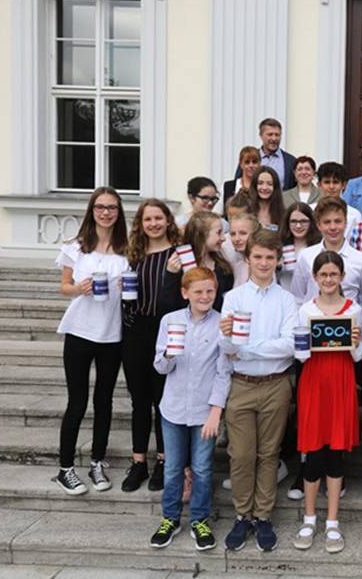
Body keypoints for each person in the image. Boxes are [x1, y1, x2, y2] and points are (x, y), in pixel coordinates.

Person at [217, 229, 297, 553]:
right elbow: (227, 347)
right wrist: (237, 344)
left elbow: (290, 346)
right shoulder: (234, 298)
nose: (263, 262)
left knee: (268, 455)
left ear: (278, 261)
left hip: (276, 385)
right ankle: (242, 514)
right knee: (241, 455)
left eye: (269, 257)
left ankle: (262, 516)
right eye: (258, 257)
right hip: (242, 385)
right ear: (247, 259)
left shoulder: (287, 300)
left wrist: (248, 348)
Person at [54, 187, 129, 495]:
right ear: (92, 210)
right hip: (80, 330)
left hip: (112, 333)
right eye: (100, 207)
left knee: (104, 400)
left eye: (111, 207)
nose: (106, 212)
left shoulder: (127, 248)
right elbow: (64, 287)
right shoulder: (77, 246)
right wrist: (79, 288)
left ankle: (97, 461)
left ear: (119, 212)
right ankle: (65, 468)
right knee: (77, 401)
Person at [293, 251, 362, 554]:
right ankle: (309, 518)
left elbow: (358, 356)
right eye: (323, 275)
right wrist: (307, 342)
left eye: (334, 274)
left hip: (341, 382)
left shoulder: (354, 309)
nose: (329, 280)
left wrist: (358, 342)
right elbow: (299, 356)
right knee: (313, 455)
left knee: (336, 456)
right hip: (314, 382)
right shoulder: (306, 309)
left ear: (342, 277)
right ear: (315, 278)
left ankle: (332, 522)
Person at [149, 267, 225, 551]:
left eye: (210, 291)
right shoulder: (170, 321)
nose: (205, 296)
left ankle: (199, 519)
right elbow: (160, 366)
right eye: (199, 291)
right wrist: (169, 353)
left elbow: (223, 371)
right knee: (172, 469)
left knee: (204, 468)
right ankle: (170, 518)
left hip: (204, 410)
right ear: (185, 293)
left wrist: (216, 409)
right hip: (173, 407)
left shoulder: (221, 323)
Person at [121, 199, 180, 493]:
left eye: (159, 218)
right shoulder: (134, 255)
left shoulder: (179, 254)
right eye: (148, 219)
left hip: (165, 332)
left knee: (163, 401)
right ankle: (138, 462)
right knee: (139, 401)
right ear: (141, 224)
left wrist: (173, 273)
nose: (154, 223)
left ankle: (163, 460)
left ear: (168, 221)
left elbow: (184, 296)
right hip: (135, 334)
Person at [291, 196, 362, 307]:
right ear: (318, 225)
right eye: (327, 222)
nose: (333, 227)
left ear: (346, 223)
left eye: (338, 221)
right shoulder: (306, 257)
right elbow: (298, 298)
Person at [160, 211, 234, 315]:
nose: (223, 238)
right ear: (202, 234)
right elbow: (167, 305)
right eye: (218, 232)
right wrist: (171, 274)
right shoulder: (179, 263)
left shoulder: (223, 267)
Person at [244, 117, 296, 191]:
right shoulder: (249, 159)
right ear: (261, 135)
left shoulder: (290, 161)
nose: (274, 138)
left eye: (277, 135)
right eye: (270, 134)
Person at [277, 202, 320, 291]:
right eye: (294, 221)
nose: (298, 226)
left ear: (311, 222)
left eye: (303, 221)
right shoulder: (278, 246)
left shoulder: (319, 247)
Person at [316, 161, 362, 237]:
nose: (331, 187)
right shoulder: (310, 211)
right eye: (327, 182)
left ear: (344, 185)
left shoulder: (355, 215)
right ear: (319, 185)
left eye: (335, 182)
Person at [222, 213, 260, 287]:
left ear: (255, 234)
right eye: (233, 234)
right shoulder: (237, 265)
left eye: (243, 233)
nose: (237, 239)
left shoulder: (263, 264)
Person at [223, 146, 260, 214]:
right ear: (241, 164)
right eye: (247, 162)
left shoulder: (262, 187)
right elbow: (218, 212)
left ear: (259, 164)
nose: (251, 165)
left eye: (254, 162)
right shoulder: (228, 186)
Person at [248, 166, 286, 230]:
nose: (264, 187)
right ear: (254, 186)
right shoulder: (246, 210)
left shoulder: (284, 214)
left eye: (269, 184)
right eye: (260, 183)